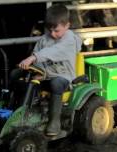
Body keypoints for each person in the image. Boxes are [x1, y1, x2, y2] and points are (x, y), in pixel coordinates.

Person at [11, 4, 82, 136]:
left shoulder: (70, 40)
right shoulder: (45, 39)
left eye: (57, 31)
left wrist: (34, 58)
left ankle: (54, 122)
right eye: (50, 30)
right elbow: (37, 57)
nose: (53, 34)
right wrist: (35, 69)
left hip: (63, 76)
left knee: (56, 83)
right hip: (45, 75)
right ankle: (16, 110)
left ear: (67, 25)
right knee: (16, 74)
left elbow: (54, 51)